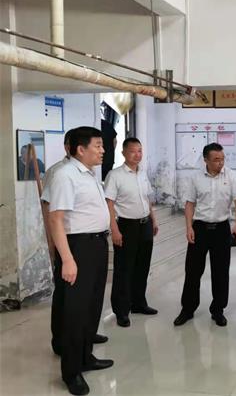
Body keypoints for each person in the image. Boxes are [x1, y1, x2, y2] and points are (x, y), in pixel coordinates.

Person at [48, 126, 114, 396]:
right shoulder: (65, 175)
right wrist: (67, 259)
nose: (103, 150)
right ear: (80, 149)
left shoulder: (89, 174)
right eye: (98, 145)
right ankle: (71, 372)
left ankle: (86, 357)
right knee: (75, 311)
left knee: (92, 305)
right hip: (78, 248)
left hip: (97, 244)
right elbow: (56, 219)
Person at [173, 143, 236, 327]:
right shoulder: (196, 178)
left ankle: (218, 310)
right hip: (200, 229)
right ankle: (188, 309)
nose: (220, 162)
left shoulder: (231, 176)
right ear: (205, 160)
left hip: (221, 229)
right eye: (216, 159)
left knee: (221, 271)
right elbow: (190, 203)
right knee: (192, 270)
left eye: (222, 159)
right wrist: (189, 227)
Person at [104, 138, 159, 328]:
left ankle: (138, 303)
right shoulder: (115, 175)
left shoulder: (142, 174)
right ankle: (121, 310)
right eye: (133, 151)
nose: (137, 155)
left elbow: (147, 199)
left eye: (140, 151)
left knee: (142, 267)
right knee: (124, 269)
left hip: (145, 224)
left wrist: (153, 220)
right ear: (123, 153)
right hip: (126, 226)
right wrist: (114, 229)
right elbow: (109, 204)